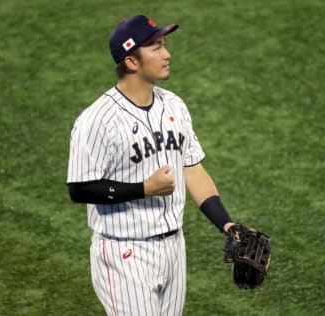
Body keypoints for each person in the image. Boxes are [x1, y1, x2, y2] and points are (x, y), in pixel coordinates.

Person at [67, 14, 235, 316]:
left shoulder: (174, 105)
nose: (167, 54)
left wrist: (226, 223)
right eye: (156, 47)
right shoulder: (96, 121)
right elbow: (80, 189)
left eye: (164, 44)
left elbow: (191, 169)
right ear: (132, 62)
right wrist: (145, 189)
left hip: (174, 248)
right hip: (123, 253)